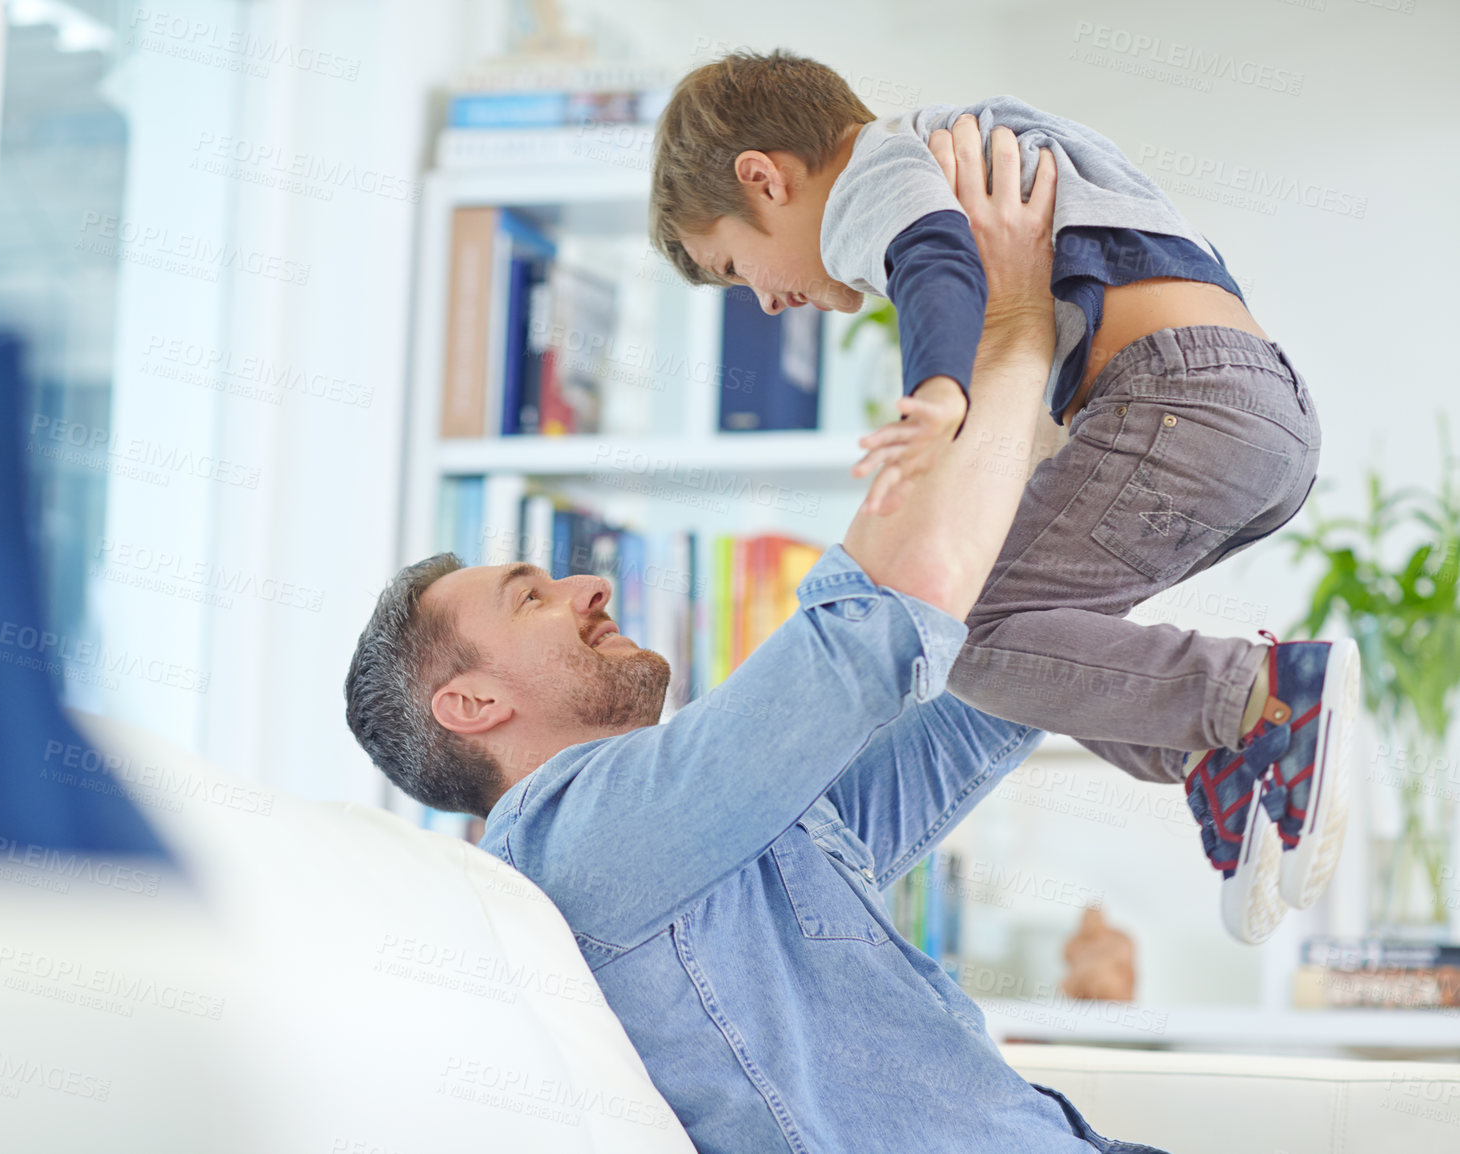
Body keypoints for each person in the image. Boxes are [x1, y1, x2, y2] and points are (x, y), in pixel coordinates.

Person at [348, 123, 1165, 1153]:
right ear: (472, 705)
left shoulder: (721, 828)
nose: (590, 582)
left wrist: (1110, 428)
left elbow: (985, 689)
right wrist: (1005, 324)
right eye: (530, 596)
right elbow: (867, 631)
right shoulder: (570, 836)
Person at [646, 49, 1357, 943]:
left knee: (966, 634)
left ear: (765, 179)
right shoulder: (973, 142)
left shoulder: (877, 174)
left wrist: (941, 389)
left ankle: (1261, 696)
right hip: (1252, 414)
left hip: (1178, 401)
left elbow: (935, 258)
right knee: (1048, 632)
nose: (765, 301)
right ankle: (1225, 751)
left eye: (733, 267)